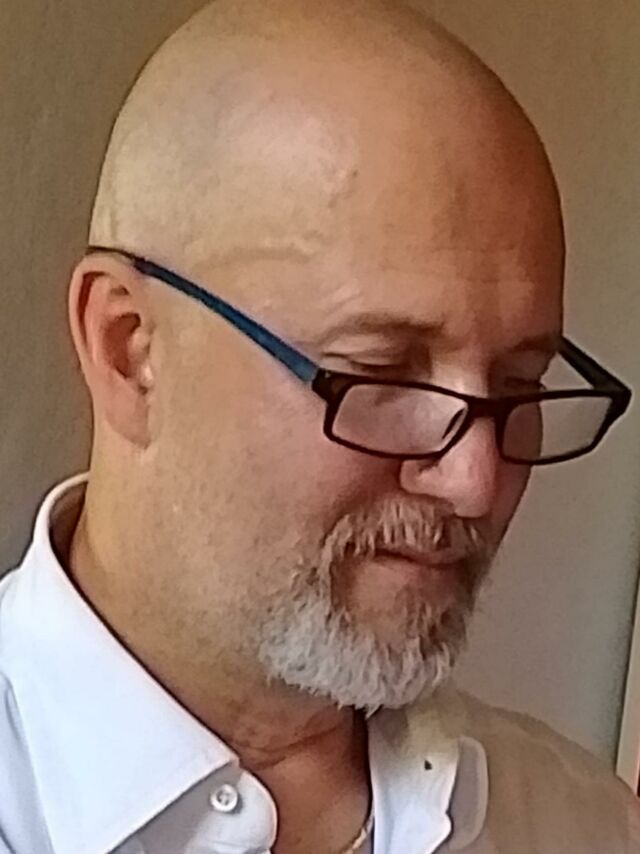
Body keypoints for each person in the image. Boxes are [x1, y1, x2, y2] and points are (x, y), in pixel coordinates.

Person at [1, 0, 637, 851]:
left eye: (519, 384)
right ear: (130, 350)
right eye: (382, 371)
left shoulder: (583, 824)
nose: (476, 481)